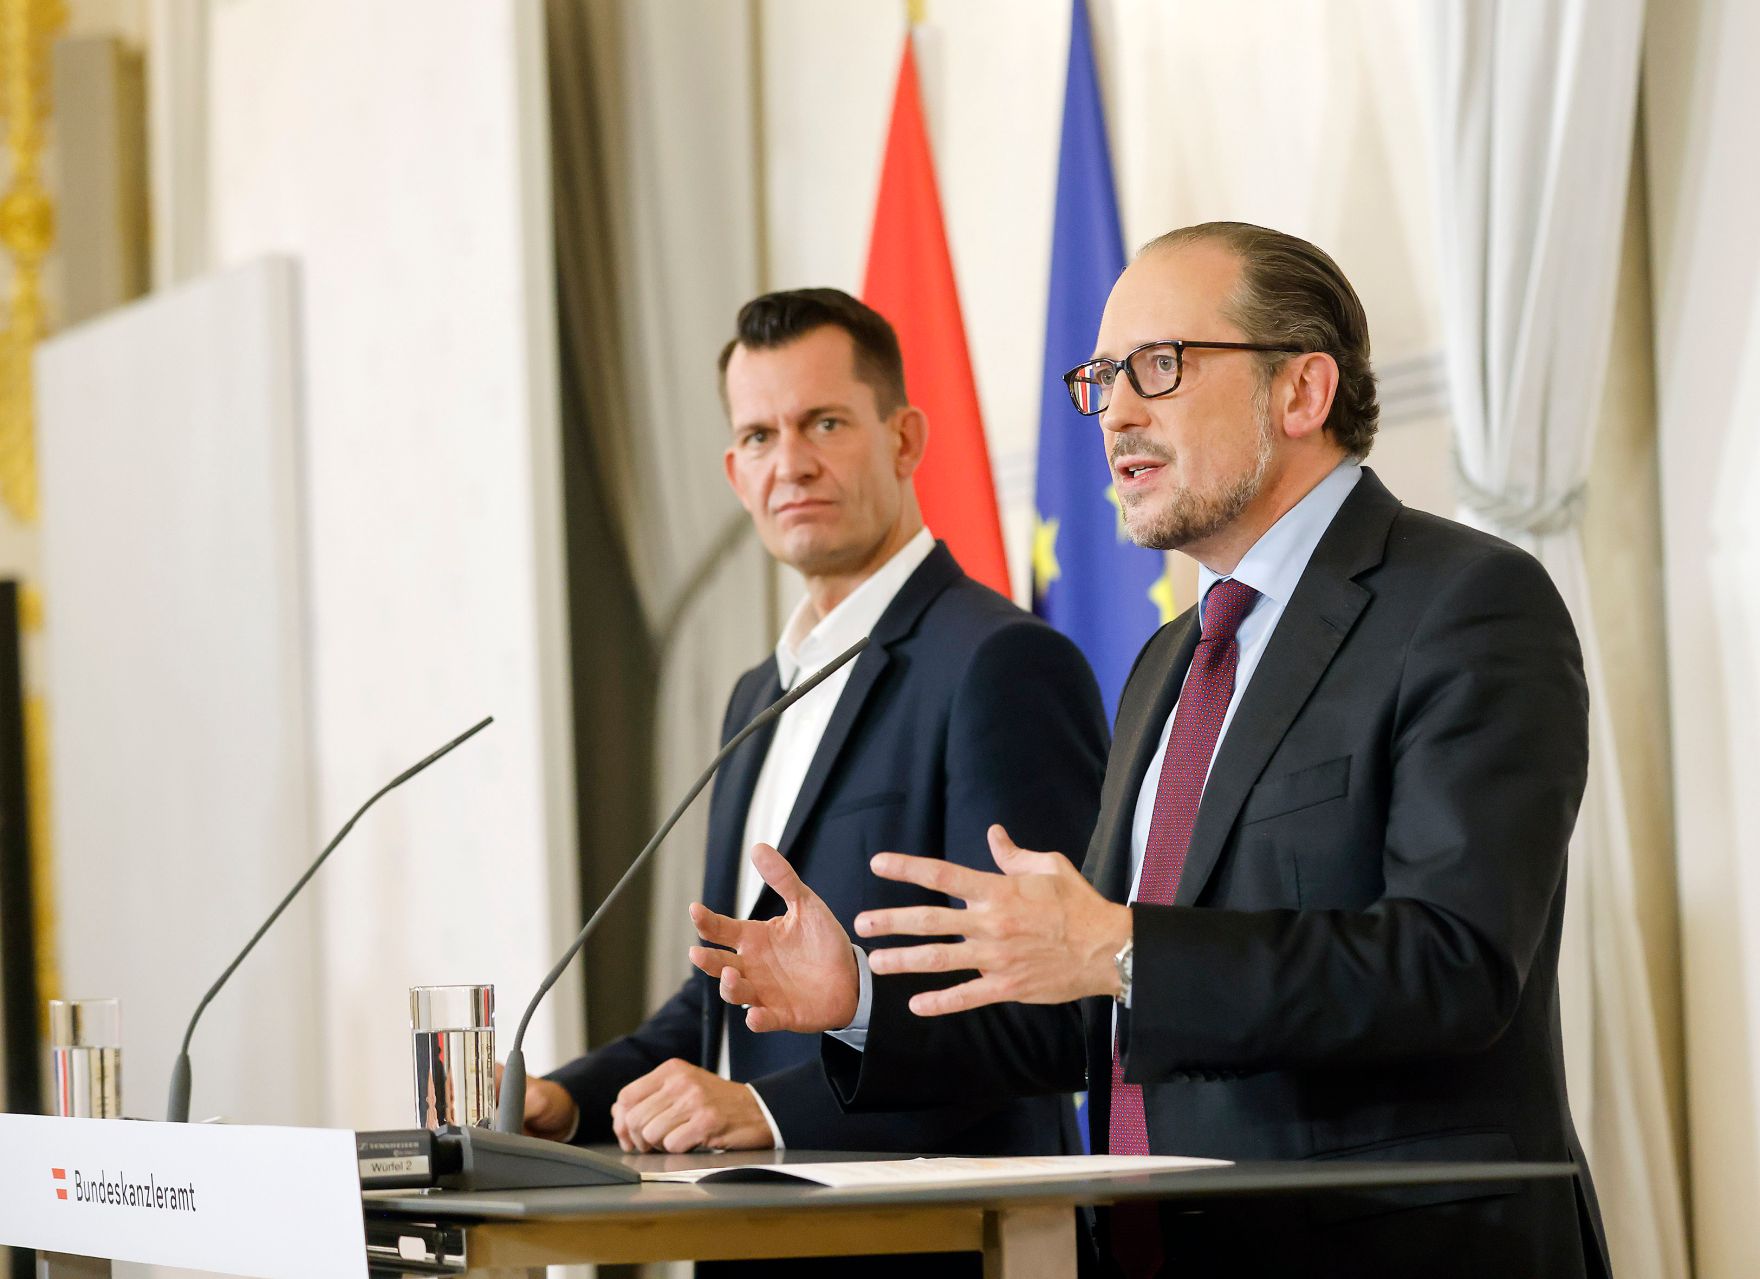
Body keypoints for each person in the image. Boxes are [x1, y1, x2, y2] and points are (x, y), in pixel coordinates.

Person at [689, 225, 1610, 1279]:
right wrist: (858, 998)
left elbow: (1454, 967)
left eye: (1158, 368)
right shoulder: (1163, 661)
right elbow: (1085, 1016)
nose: (1114, 412)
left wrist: (1121, 947)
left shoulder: (1462, 604)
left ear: (1299, 392)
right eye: (1100, 378)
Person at [523, 289, 1107, 1174]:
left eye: (824, 423)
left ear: (905, 439)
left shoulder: (1001, 664)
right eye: (759, 436)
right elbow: (730, 989)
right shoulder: (758, 694)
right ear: (734, 472)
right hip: (750, 1236)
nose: (789, 463)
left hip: (942, 1240)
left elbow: (1046, 1012)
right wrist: (571, 1102)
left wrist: (769, 1108)